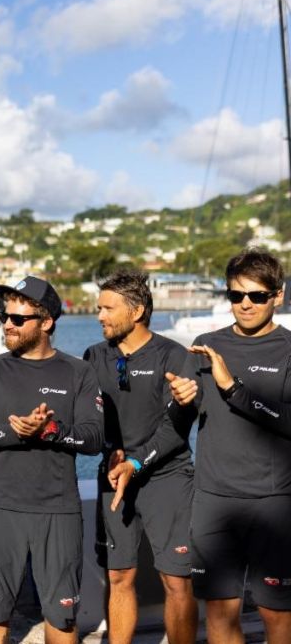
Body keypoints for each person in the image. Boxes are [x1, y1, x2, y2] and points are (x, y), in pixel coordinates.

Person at [133, 249, 291, 643]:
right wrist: (180, 401)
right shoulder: (206, 345)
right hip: (214, 502)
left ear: (279, 295)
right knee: (219, 618)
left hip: (273, 503)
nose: (246, 304)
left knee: (278, 618)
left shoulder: (288, 350)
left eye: (257, 295)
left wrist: (233, 389)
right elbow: (180, 424)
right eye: (236, 296)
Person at [0, 276, 103, 644]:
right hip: (0, 510)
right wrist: (15, 433)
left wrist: (51, 430)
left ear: (46, 322)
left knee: (61, 620)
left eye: (18, 319)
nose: (7, 324)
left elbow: (94, 438)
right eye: (4, 317)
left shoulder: (78, 372)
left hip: (58, 512)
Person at [82, 270, 196, 644]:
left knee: (176, 579)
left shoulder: (173, 355)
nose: (99, 316)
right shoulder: (93, 356)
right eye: (99, 307)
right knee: (118, 576)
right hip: (115, 475)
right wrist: (105, 448)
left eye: (108, 308)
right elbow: (87, 419)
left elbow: (175, 428)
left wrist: (137, 463)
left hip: (167, 476)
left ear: (137, 311)